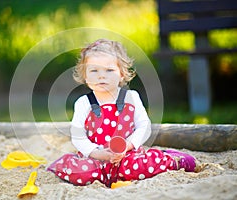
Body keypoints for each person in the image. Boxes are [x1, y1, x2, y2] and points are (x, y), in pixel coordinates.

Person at [47, 38, 198, 187]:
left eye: (109, 70)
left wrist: (128, 145)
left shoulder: (131, 97)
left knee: (138, 166)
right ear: (85, 76)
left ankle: (174, 160)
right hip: (96, 159)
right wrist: (96, 153)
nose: (101, 76)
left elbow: (143, 126)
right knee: (81, 172)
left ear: (121, 74)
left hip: (127, 155)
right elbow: (78, 136)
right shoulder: (83, 103)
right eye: (94, 70)